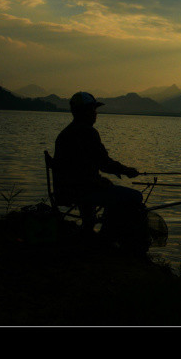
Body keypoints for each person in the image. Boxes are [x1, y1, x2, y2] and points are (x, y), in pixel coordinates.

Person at [52, 91, 147, 252]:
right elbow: (104, 163)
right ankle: (108, 239)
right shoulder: (88, 132)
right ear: (83, 111)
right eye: (93, 110)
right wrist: (127, 170)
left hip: (66, 189)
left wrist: (99, 180)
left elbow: (81, 168)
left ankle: (92, 231)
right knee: (135, 197)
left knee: (108, 188)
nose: (96, 113)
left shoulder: (65, 133)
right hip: (81, 190)